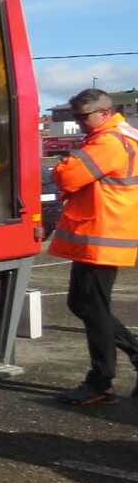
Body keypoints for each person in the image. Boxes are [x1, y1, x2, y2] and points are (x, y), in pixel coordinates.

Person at [49, 87, 138, 404]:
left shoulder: (109, 141)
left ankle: (101, 382)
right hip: (100, 237)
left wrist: (62, 165)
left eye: (82, 116)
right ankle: (126, 361)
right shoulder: (118, 137)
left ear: (104, 112)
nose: (79, 122)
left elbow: (67, 178)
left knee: (92, 308)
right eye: (75, 116)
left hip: (101, 238)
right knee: (83, 305)